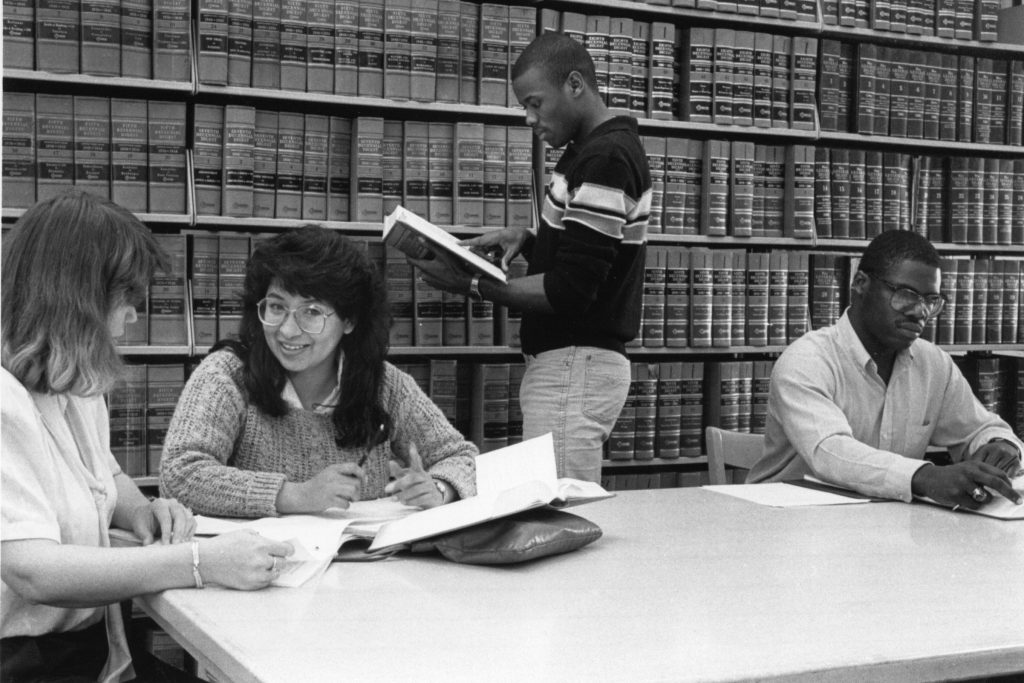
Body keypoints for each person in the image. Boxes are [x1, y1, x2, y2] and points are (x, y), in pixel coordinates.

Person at [1, 190, 294, 683]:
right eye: (125, 299)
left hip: (86, 652)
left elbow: (103, 475)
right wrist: (199, 561)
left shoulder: (74, 384)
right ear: (77, 297)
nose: (134, 317)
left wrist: (141, 510)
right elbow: (32, 570)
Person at [408, 32, 652, 483]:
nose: (528, 118)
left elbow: (570, 291)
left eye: (536, 103)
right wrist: (528, 238)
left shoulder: (606, 160)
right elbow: (594, 251)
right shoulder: (589, 154)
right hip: (570, 366)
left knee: (562, 513)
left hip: (575, 365)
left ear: (575, 84)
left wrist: (470, 284)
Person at [159, 226, 477, 518]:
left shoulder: (385, 385)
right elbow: (179, 474)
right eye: (276, 306)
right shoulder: (227, 375)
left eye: (311, 312)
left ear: (350, 320)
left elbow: (460, 457)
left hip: (364, 569)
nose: (287, 330)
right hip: (257, 569)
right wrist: (295, 495)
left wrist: (438, 489)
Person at [747, 230, 1023, 510]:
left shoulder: (933, 364)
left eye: (930, 300)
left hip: (879, 523)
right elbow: (830, 452)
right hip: (785, 523)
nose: (920, 312)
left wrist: (1001, 446)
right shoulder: (807, 361)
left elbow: (982, 428)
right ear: (861, 283)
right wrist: (924, 477)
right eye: (906, 295)